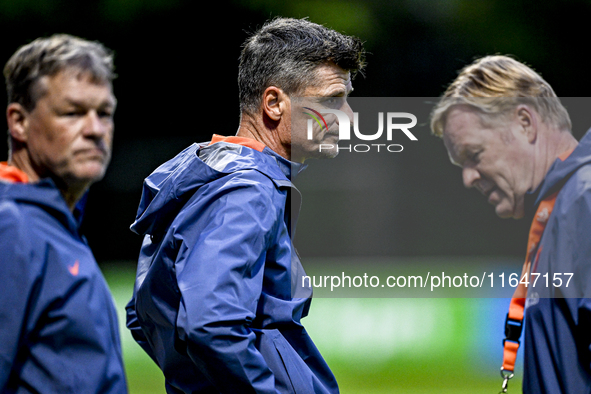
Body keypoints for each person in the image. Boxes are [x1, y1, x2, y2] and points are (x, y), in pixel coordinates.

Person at [125, 17, 365, 393]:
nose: (349, 117)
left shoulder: (210, 175)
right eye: (332, 100)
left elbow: (145, 315)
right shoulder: (247, 190)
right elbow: (209, 324)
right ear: (274, 103)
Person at [430, 55, 591, 393]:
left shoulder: (582, 202)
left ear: (524, 122)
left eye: (474, 156)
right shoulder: (564, 207)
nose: (468, 178)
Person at [0, 35, 127, 392]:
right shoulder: (11, 225)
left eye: (104, 113)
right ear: (19, 122)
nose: (95, 130)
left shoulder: (50, 221)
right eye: (72, 113)